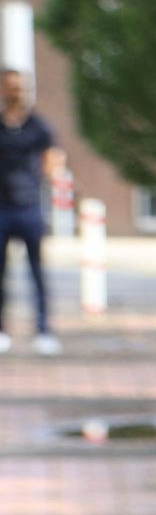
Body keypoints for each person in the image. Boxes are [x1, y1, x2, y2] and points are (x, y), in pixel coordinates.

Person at [0, 68, 60, 355]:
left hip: (28, 208)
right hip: (1, 209)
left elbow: (53, 158)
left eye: (19, 87)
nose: (15, 92)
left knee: (36, 270)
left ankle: (44, 330)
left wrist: (38, 178)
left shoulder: (38, 126)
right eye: (9, 87)